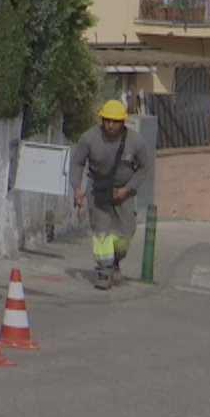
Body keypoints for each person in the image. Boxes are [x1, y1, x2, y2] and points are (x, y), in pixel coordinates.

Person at [69, 99, 154, 288]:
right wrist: (77, 188)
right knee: (101, 233)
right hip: (98, 190)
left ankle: (115, 261)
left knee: (125, 235)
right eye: (107, 120)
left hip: (124, 192)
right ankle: (104, 273)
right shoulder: (89, 139)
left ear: (123, 122)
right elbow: (77, 163)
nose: (110, 125)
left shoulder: (137, 142)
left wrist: (128, 189)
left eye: (115, 121)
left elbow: (144, 168)